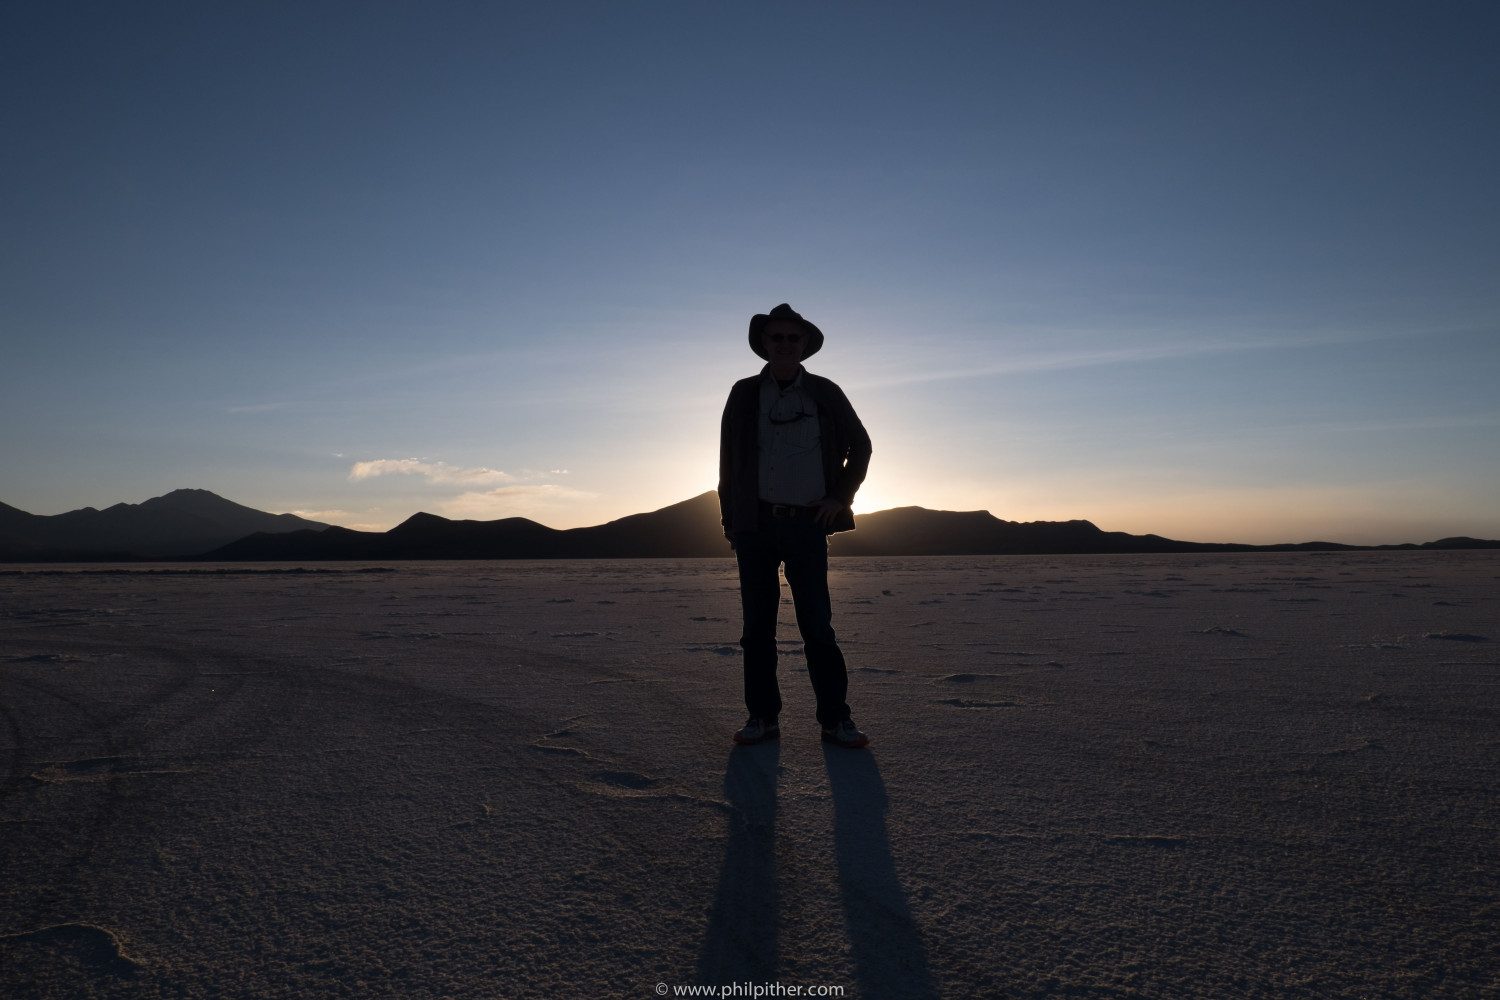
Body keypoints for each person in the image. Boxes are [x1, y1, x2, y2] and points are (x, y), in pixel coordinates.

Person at [718, 303, 873, 749]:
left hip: (807, 526)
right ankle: (762, 717)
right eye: (776, 338)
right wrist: (732, 521)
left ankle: (835, 719)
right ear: (764, 344)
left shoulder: (825, 392)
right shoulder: (744, 393)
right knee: (756, 629)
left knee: (817, 626)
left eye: (793, 338)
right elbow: (729, 461)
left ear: (804, 344)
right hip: (756, 526)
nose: (784, 344)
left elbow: (860, 447)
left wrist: (840, 498)